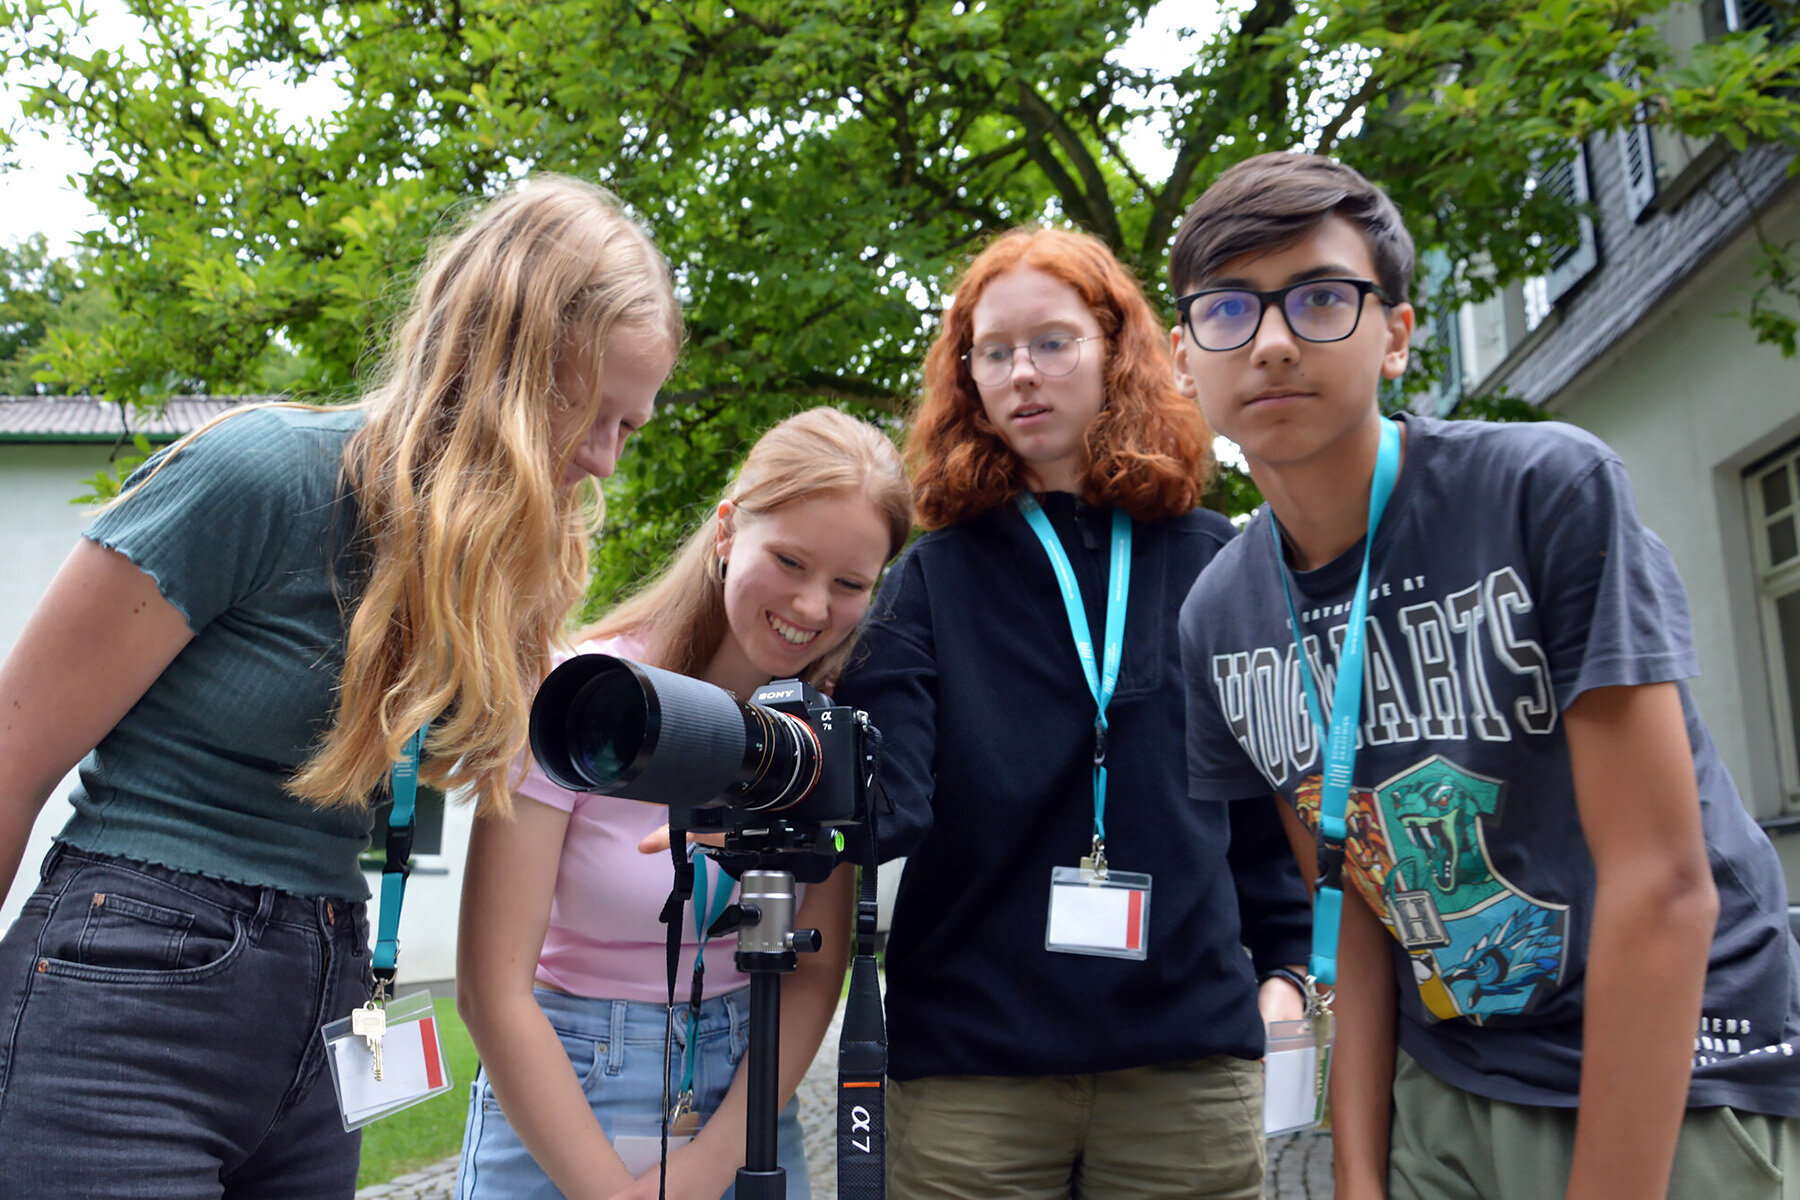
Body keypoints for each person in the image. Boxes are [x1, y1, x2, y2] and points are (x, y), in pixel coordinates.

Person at [0, 176, 682, 1199]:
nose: (599, 459)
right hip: (128, 986)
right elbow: (14, 760)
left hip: (325, 1001)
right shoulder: (259, 477)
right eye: (588, 410)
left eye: (628, 430)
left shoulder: (489, 581)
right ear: (499, 360)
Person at [1171, 151, 1800, 1200]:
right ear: (1186, 356)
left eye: (1322, 298)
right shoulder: (1220, 615)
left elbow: (1666, 885)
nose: (1273, 340)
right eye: (1228, 309)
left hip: (1681, 1066)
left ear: (1399, 336)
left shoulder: (1543, 489)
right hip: (1453, 1084)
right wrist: (1360, 1177)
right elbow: (1355, 905)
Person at [834, 226, 1312, 1200]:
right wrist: (759, 778)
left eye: (1052, 342)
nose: (1022, 374)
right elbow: (887, 795)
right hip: (975, 1073)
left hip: (1187, 1067)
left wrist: (1289, 972)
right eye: (993, 352)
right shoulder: (931, 580)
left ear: (1115, 350)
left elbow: (1274, 812)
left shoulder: (1221, 560)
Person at [454, 405, 912, 1200]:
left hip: (744, 1096)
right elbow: (490, 988)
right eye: (791, 561)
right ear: (729, 530)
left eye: (848, 585)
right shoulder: (581, 696)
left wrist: (705, 1173)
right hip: (562, 1099)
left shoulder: (823, 741)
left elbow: (815, 975)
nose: (811, 607)